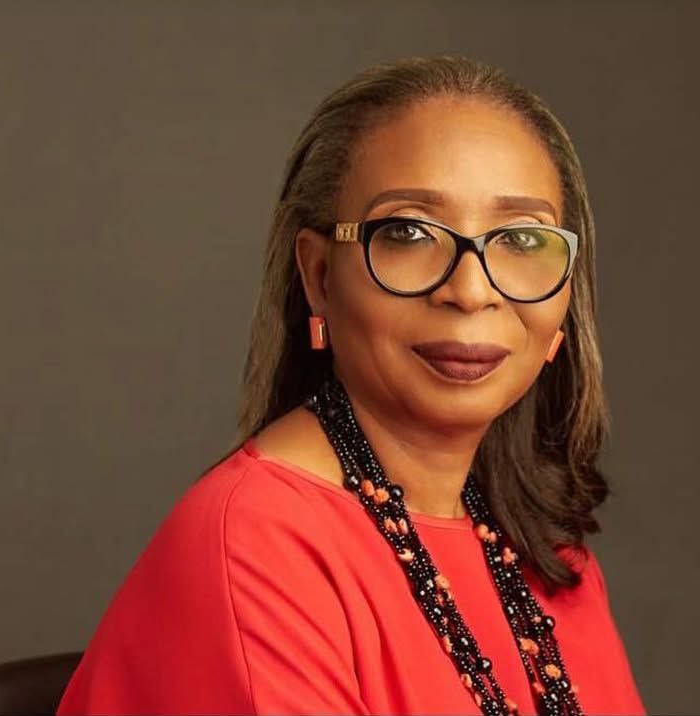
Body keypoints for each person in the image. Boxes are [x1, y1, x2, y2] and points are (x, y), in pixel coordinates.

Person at [56, 55, 646, 715]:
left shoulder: (546, 555)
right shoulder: (253, 544)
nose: (471, 290)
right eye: (408, 232)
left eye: (523, 239)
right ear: (319, 277)